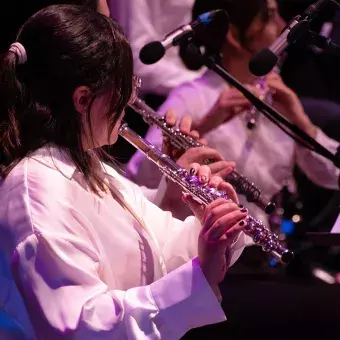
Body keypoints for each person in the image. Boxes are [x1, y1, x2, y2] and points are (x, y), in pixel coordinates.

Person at [0, 5, 248, 338]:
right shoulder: (37, 187)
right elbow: (82, 327)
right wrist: (199, 273)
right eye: (124, 87)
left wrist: (213, 227)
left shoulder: (93, 168)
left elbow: (159, 251)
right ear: (83, 99)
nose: (130, 98)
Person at [127, 0, 340, 226]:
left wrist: (302, 122)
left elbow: (333, 176)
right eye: (268, 17)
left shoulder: (278, 99)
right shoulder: (192, 97)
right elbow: (137, 179)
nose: (282, 25)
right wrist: (203, 126)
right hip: (202, 245)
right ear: (233, 36)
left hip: (261, 250)